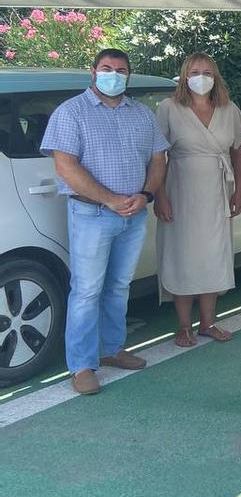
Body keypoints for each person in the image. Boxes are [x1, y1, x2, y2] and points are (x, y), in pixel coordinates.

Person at [40, 48, 169, 395]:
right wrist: (110, 199)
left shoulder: (142, 114)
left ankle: (112, 349)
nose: (114, 75)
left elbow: (159, 158)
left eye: (121, 70)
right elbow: (65, 166)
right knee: (86, 290)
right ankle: (81, 366)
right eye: (107, 68)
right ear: (94, 72)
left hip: (134, 212)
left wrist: (146, 195)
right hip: (92, 214)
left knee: (118, 286)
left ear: (128, 75)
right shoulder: (71, 113)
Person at [154, 53, 241, 348]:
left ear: (216, 76)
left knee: (213, 256)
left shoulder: (228, 108)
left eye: (207, 72)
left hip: (217, 191)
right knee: (182, 256)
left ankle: (208, 322)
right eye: (195, 71)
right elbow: (157, 156)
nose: (201, 77)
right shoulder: (168, 108)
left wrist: (240, 190)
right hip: (180, 190)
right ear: (184, 75)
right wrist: (160, 195)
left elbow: (238, 152)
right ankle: (184, 326)